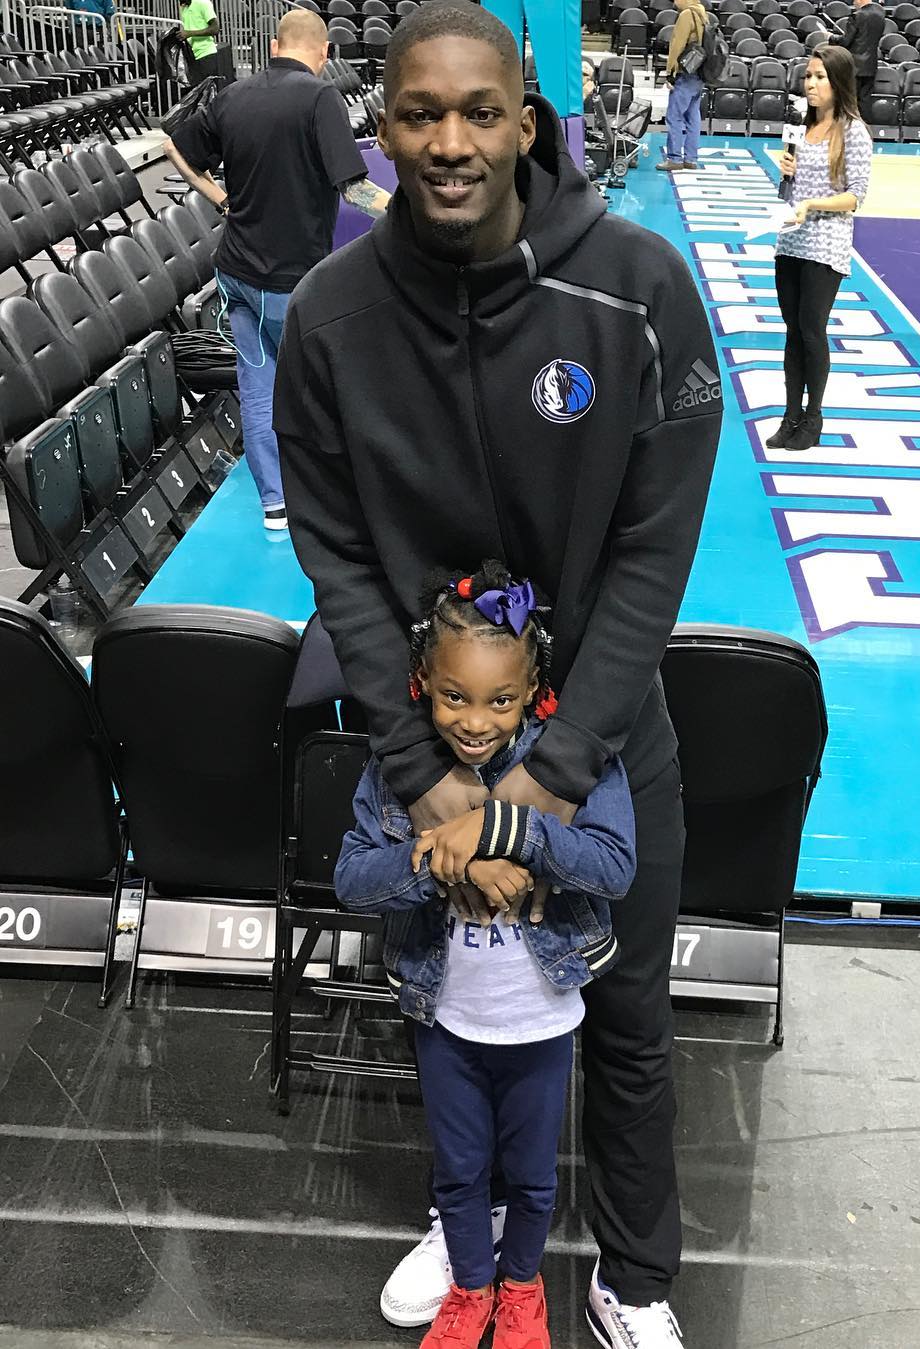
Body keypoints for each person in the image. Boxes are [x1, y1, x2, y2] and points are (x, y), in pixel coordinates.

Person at [273, 4, 722, 1343]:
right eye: (421, 113)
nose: (451, 141)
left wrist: (553, 768)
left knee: (627, 1013)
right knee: (457, 1003)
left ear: (529, 122)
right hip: (433, 741)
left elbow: (655, 551)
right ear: (383, 125)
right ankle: (463, 1228)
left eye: (481, 112)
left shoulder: (637, 288)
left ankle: (633, 1274)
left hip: (601, 734)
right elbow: (340, 559)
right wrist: (425, 778)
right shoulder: (329, 317)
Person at [335, 561, 637, 1349]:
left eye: (501, 699)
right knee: (460, 1173)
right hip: (446, 1020)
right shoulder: (396, 776)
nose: (476, 720)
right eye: (454, 696)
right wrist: (441, 858)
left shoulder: (572, 765)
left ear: (534, 689)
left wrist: (517, 832)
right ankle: (470, 1287)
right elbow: (351, 879)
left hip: (538, 1024)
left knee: (535, 1177)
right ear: (421, 682)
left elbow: (614, 865)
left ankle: (523, 1287)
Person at [163, 10, 390, 531]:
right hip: (291, 283)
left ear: (271, 45)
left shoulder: (233, 95)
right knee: (324, 387)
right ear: (325, 52)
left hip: (236, 274)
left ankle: (275, 504)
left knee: (259, 387)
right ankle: (334, 495)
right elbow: (354, 188)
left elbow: (176, 146)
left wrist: (222, 199)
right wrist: (415, 215)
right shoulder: (319, 97)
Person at [770, 45, 872, 453]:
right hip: (790, 240)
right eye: (807, 77)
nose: (810, 85)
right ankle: (790, 415)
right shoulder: (801, 126)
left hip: (825, 246)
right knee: (793, 333)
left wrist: (812, 204)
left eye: (819, 78)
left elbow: (856, 196)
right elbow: (788, 194)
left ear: (838, 82)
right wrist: (787, 177)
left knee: (812, 331)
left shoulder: (853, 132)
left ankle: (813, 417)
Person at [657, 0, 708, 172]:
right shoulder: (702, 13)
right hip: (699, 73)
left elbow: (677, 45)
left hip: (686, 72)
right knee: (693, 116)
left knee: (674, 116)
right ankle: (691, 159)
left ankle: (674, 159)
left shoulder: (687, 15)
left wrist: (670, 73)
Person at [834, 0, 886, 123]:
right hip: (871, 66)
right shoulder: (880, 16)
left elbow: (846, 42)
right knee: (865, 101)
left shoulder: (856, 16)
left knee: (849, 100)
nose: (853, 2)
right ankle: (866, 131)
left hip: (854, 66)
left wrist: (831, 38)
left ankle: (849, 130)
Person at [178, 0, 219, 83]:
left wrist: (189, 34)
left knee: (208, 91)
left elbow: (215, 28)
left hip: (206, 54)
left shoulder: (203, 3)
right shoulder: (184, 8)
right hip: (191, 56)